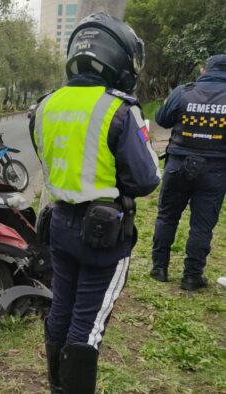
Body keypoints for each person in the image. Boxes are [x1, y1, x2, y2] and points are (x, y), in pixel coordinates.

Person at [30, 13, 160, 393]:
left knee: (61, 310)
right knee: (89, 322)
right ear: (117, 57)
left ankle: (57, 387)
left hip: (59, 224)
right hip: (103, 234)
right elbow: (146, 179)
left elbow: (49, 160)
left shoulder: (46, 106)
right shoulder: (119, 108)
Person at [150, 54, 226, 291]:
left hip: (178, 164)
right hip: (215, 169)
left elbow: (162, 119)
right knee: (202, 225)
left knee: (167, 216)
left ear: (205, 70)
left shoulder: (184, 91)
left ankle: (159, 268)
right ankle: (192, 276)